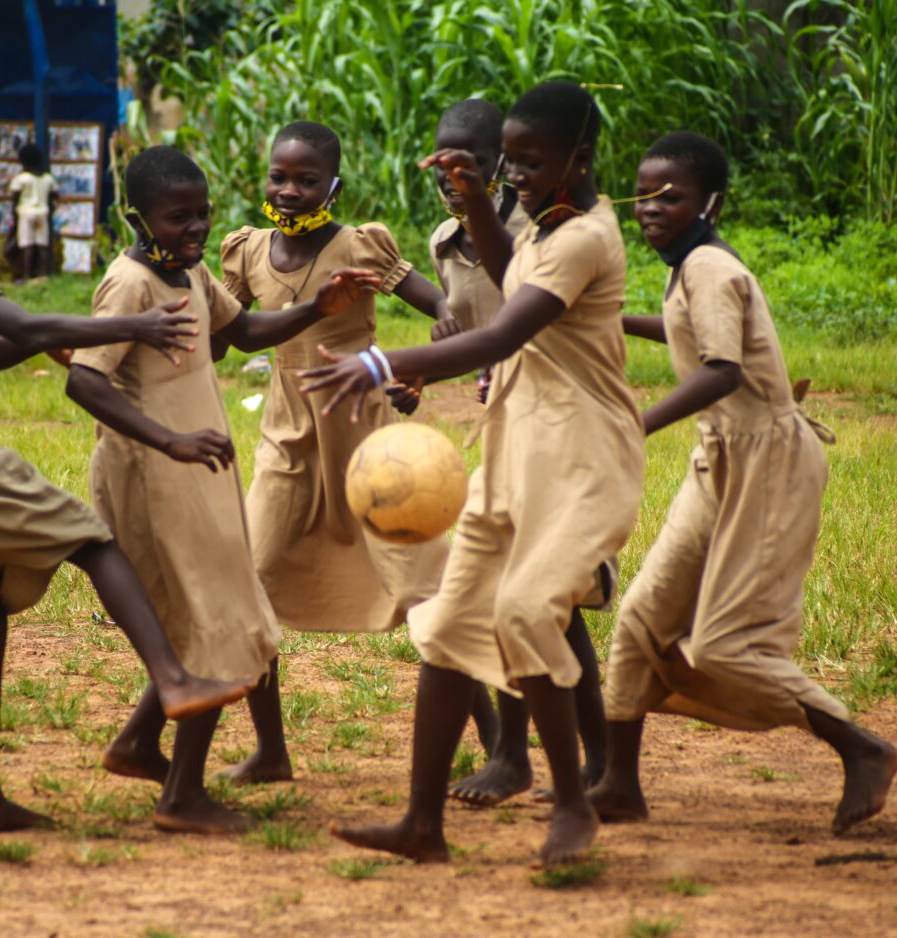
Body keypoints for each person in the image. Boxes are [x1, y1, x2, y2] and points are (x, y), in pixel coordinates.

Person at [0, 140, 252, 836]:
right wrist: (129, 325)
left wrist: (44, 343)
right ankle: (173, 679)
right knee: (94, 539)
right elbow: (23, 321)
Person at [303, 81, 644, 866]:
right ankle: (422, 824)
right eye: (508, 162)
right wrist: (478, 207)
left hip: (581, 458)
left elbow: (501, 336)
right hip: (516, 445)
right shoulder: (543, 227)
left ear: (579, 161)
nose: (513, 174)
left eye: (528, 162)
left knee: (527, 611)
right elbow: (509, 274)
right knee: (452, 622)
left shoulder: (584, 237)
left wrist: (382, 359)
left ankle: (572, 805)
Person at [586, 131, 897, 834]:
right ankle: (618, 785)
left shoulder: (707, 266)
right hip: (719, 459)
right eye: (646, 194)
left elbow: (721, 368)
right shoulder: (685, 269)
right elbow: (680, 329)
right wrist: (598, 316)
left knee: (728, 644)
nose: (653, 207)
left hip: (769, 462)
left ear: (712, 202)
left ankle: (863, 748)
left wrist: (635, 424)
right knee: (639, 621)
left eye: (674, 196)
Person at [63, 145, 381, 833]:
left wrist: (318, 307)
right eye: (179, 217)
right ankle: (181, 797)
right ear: (138, 218)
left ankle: (140, 745)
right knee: (221, 625)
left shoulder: (192, 272)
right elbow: (84, 379)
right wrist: (169, 440)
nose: (197, 228)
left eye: (203, 213)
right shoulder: (129, 283)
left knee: (215, 619)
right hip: (153, 477)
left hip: (196, 472)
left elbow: (242, 332)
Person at [217, 121, 454, 784]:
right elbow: (233, 337)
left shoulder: (360, 246)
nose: (289, 191)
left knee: (424, 591)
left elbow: (445, 310)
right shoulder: (246, 252)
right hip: (288, 442)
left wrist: (411, 369)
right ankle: (270, 752)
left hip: (369, 440)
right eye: (279, 177)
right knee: (252, 585)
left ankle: (497, 741)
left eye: (307, 179)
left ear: (334, 184)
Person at [427, 98, 609, 804]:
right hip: (508, 430)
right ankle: (538, 760)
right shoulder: (448, 240)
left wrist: (388, 363)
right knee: (524, 605)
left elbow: (512, 324)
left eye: (467, 159)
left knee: (550, 606)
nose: (451, 172)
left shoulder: (547, 231)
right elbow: (478, 333)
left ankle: (574, 763)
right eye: (441, 158)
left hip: (564, 434)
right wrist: (432, 361)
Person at [9, 142, 56, 283]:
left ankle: (26, 276)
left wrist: (14, 216)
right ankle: (44, 275)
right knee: (43, 245)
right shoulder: (48, 178)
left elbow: (15, 198)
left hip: (25, 213)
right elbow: (53, 196)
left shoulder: (21, 178)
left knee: (27, 245)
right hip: (42, 212)